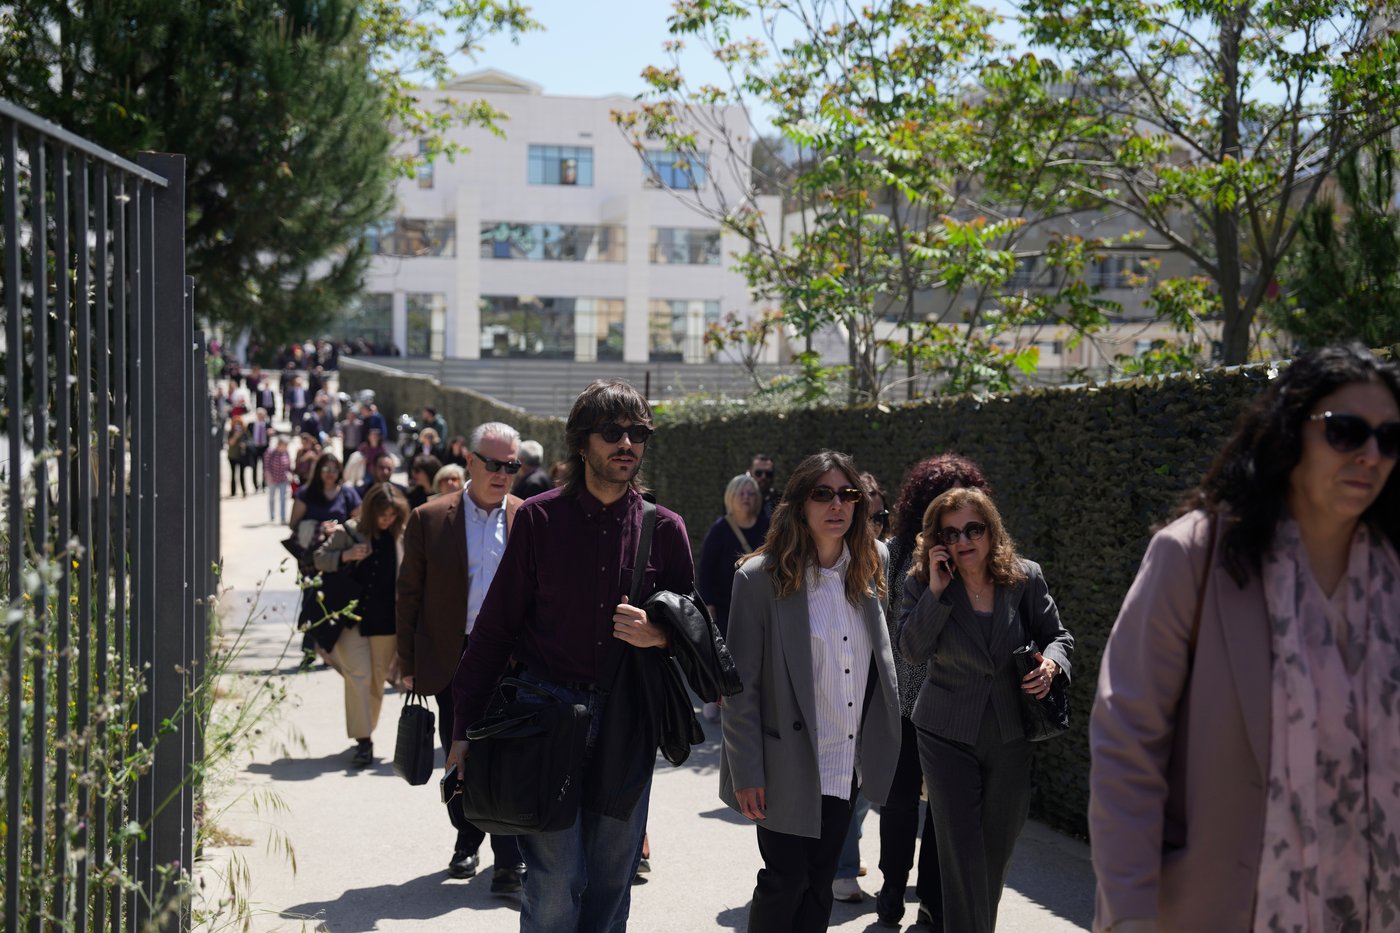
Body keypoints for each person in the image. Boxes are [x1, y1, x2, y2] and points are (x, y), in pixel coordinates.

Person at [1089, 342, 1400, 933]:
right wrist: (1128, 911)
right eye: (1346, 431)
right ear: (1290, 431)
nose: (1370, 455)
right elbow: (1127, 741)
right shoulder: (1194, 556)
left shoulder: (1393, 572)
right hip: (1223, 908)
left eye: (1391, 439)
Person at [448, 380, 695, 933]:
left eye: (638, 433)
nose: (626, 443)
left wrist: (660, 635)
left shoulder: (666, 529)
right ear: (582, 443)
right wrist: (464, 729)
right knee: (554, 882)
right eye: (612, 432)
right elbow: (495, 630)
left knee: (611, 880)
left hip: (628, 721)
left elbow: (697, 630)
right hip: (545, 718)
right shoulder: (539, 519)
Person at [719, 450, 901, 933]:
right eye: (823, 494)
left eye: (847, 494)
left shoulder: (875, 563)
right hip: (785, 761)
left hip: (846, 759)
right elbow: (740, 688)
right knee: (785, 880)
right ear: (800, 503)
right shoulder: (759, 578)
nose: (836, 504)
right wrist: (746, 771)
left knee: (819, 883)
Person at [898, 486, 1073, 933]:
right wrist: (936, 592)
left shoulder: (1024, 577)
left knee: (995, 853)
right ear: (937, 540)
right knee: (962, 854)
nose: (963, 540)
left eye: (973, 529)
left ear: (991, 530)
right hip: (945, 733)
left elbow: (1059, 636)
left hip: (1011, 733)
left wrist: (1052, 665)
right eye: (951, 533)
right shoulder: (923, 582)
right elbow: (912, 651)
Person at [396, 422, 526, 889]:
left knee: (508, 755)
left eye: (511, 465)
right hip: (454, 656)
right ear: (470, 461)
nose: (502, 474)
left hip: (513, 659)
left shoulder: (528, 517)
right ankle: (466, 839)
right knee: (460, 752)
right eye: (493, 464)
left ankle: (508, 858)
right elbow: (408, 595)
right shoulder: (430, 517)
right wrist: (407, 664)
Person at [871, 453, 989, 927]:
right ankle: (891, 888)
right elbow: (885, 621)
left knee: (944, 810)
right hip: (903, 699)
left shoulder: (975, 555)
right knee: (899, 802)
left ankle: (931, 905)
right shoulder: (899, 551)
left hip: (952, 702)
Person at [830, 470, 893, 904]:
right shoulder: (825, 559)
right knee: (845, 783)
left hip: (873, 692)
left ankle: (844, 850)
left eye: (879, 517)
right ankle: (843, 867)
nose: (871, 524)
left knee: (867, 783)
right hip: (834, 694)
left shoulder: (883, 556)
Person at [313, 483, 409, 767]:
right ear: (370, 511)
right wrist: (346, 555)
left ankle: (366, 729)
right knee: (359, 676)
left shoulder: (401, 536)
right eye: (382, 515)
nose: (386, 520)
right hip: (349, 620)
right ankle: (363, 741)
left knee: (377, 681)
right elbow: (319, 559)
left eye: (392, 515)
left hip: (386, 622)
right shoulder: (349, 531)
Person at [695, 473, 766, 721]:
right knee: (725, 655)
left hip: (759, 604)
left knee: (757, 655)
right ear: (730, 497)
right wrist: (708, 604)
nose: (746, 498)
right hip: (726, 605)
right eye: (741, 493)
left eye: (751, 493)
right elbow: (705, 570)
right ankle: (717, 698)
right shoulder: (720, 530)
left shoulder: (766, 526)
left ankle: (751, 702)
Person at [264, 435, 293, 525]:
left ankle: (283, 518)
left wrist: (290, 474)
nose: (286, 447)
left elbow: (289, 466)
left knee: (283, 499)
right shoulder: (270, 452)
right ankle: (272, 516)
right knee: (272, 498)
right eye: (285, 445)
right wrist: (269, 478)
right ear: (279, 444)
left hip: (283, 479)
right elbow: (266, 467)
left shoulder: (286, 452)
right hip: (272, 480)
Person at [748, 453, 779, 518]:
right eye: (758, 473)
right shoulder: (739, 500)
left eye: (768, 474)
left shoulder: (779, 502)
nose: (763, 477)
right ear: (750, 473)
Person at [247, 408, 271, 489]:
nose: (261, 416)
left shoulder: (268, 425)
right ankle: (255, 485)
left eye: (262, 415)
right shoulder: (251, 424)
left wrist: (271, 433)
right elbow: (247, 435)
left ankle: (264, 484)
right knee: (254, 467)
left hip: (264, 448)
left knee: (265, 467)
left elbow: (276, 432)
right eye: (259, 415)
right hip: (255, 448)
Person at [227, 419, 251, 497]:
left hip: (242, 456)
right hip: (232, 456)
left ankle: (244, 491)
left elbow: (249, 441)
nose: (237, 426)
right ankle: (233, 492)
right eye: (236, 424)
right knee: (233, 474)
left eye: (239, 424)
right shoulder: (231, 432)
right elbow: (230, 443)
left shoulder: (245, 433)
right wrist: (235, 436)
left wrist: (245, 444)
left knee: (242, 474)